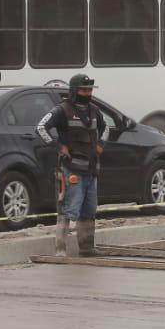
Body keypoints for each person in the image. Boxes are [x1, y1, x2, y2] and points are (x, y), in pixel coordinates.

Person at [38, 73, 109, 257]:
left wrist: (101, 144)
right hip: (71, 170)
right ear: (74, 91)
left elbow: (106, 127)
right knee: (68, 211)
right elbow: (41, 127)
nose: (87, 93)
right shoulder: (62, 110)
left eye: (89, 89)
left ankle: (87, 248)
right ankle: (61, 250)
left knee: (89, 211)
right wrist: (58, 146)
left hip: (92, 170)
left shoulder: (94, 110)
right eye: (83, 90)